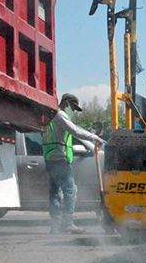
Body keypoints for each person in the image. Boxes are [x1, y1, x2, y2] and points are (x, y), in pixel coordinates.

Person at [42, 93, 104, 234]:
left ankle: (55, 226)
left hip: (50, 158)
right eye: (73, 107)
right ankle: (67, 223)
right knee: (71, 191)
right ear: (67, 103)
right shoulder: (59, 115)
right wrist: (96, 138)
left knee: (55, 193)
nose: (74, 111)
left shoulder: (49, 117)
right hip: (60, 159)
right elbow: (75, 131)